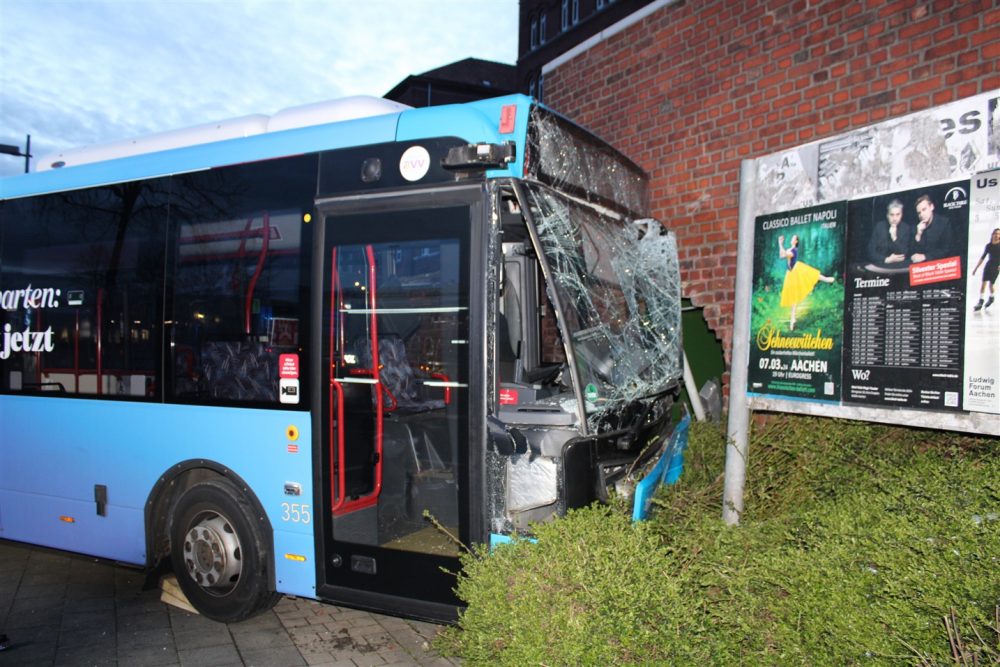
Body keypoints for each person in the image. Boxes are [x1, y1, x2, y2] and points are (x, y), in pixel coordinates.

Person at [778, 234, 835, 331]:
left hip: (797, 270)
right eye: (792, 238)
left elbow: (784, 255)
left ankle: (826, 279)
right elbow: (781, 255)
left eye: (793, 238)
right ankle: (792, 319)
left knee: (811, 274)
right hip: (790, 274)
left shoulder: (793, 251)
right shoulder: (788, 249)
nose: (792, 239)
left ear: (796, 241)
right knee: (793, 297)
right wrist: (780, 244)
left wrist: (780, 244)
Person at [867, 198, 911, 268]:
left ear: (902, 214)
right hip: (881, 265)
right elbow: (870, 252)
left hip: (899, 267)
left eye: (898, 214)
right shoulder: (879, 226)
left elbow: (905, 254)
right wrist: (887, 259)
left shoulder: (906, 228)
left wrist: (894, 238)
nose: (894, 218)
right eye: (892, 215)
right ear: (887, 215)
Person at [910, 194, 953, 263]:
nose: (922, 215)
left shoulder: (944, 223)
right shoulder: (916, 227)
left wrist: (925, 256)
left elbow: (946, 250)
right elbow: (912, 254)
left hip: (942, 266)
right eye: (919, 213)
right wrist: (918, 234)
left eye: (924, 209)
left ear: (932, 207)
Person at [971, 228, 1000, 311]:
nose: (996, 235)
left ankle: (992, 297)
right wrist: (976, 268)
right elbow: (982, 257)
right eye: (995, 233)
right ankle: (980, 301)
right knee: (983, 284)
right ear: (992, 234)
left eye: (998, 234)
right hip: (988, 266)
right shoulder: (988, 245)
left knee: (991, 285)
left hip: (996, 267)